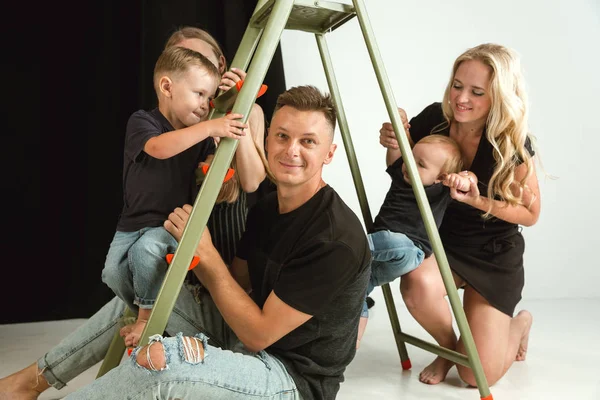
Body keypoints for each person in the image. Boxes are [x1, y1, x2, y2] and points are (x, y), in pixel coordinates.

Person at [0, 85, 371, 400]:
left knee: (162, 365)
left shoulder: (335, 238)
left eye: (308, 141)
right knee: (150, 295)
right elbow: (237, 285)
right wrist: (179, 270)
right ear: (267, 137)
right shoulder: (268, 209)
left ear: (329, 153)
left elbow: (258, 335)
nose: (291, 150)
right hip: (243, 335)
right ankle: (28, 383)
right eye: (282, 136)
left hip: (289, 378)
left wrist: (205, 255)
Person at [379, 43, 540, 386]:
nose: (460, 98)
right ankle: (448, 348)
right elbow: (404, 174)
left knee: (473, 377)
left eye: (477, 92)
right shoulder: (434, 119)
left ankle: (519, 323)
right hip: (442, 242)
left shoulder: (511, 144)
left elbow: (530, 213)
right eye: (457, 85)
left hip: (492, 254)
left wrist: (479, 201)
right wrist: (395, 144)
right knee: (417, 283)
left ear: (498, 96)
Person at [101, 45, 250, 347]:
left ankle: (146, 321)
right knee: (112, 273)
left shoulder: (202, 134)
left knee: (145, 253)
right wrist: (210, 126)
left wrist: (212, 163)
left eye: (210, 98)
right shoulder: (143, 122)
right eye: (199, 94)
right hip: (131, 222)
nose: (206, 105)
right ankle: (162, 311)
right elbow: (159, 148)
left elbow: (208, 165)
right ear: (167, 87)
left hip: (169, 224)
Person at [357, 134, 475, 348]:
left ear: (441, 177)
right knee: (357, 291)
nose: (409, 164)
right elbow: (395, 156)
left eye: (420, 164)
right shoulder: (401, 177)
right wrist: (395, 138)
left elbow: (469, 183)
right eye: (410, 157)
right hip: (377, 253)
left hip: (410, 252)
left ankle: (347, 247)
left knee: (394, 242)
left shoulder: (442, 191)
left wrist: (464, 179)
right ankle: (348, 347)